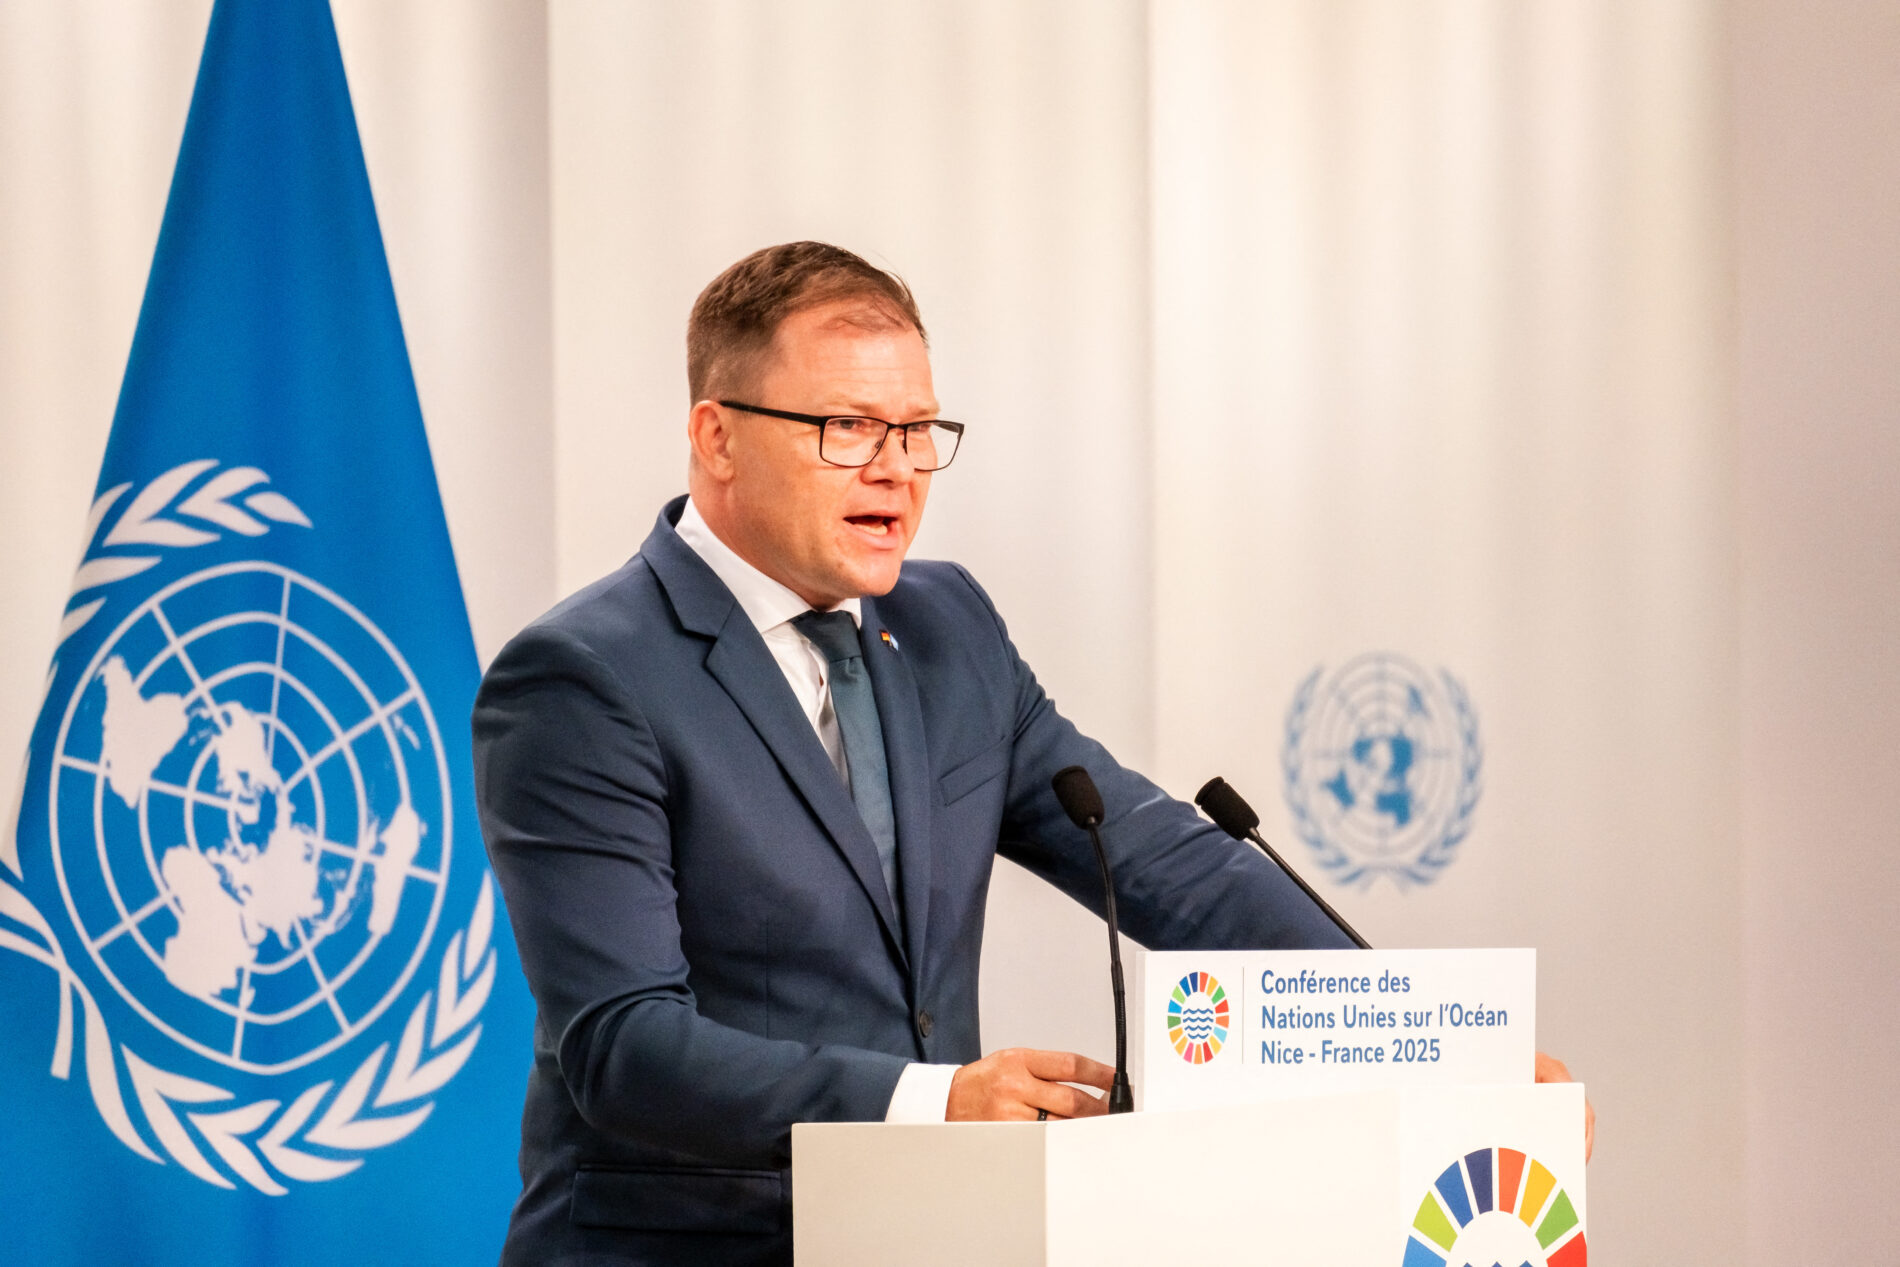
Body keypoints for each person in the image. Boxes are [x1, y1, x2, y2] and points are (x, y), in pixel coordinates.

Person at [472, 242, 1589, 1266]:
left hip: (919, 1241)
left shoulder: (947, 629)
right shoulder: (584, 678)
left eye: (918, 430)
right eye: (848, 427)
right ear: (717, 436)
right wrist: (935, 1102)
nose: (897, 470)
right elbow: (623, 1046)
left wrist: (1430, 1045)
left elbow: (1170, 868)